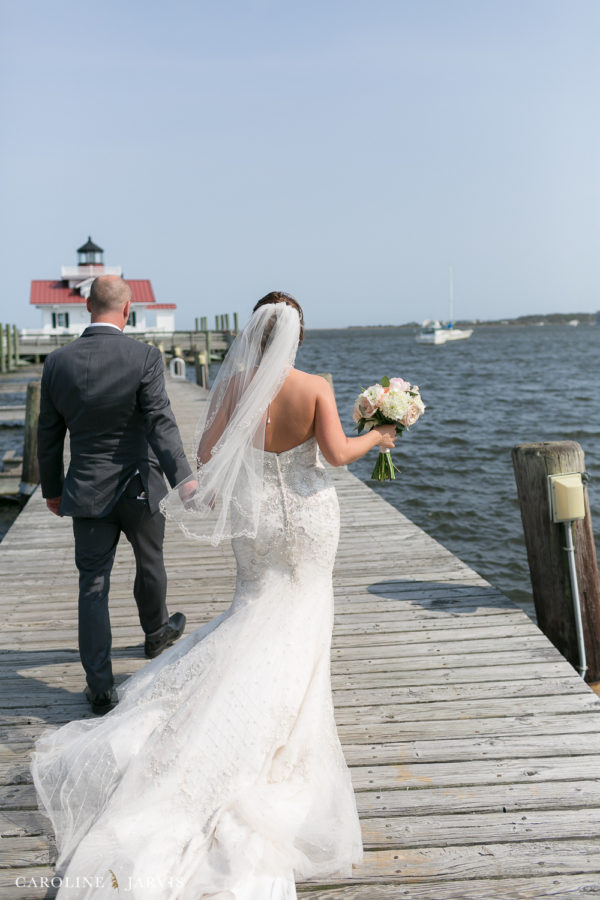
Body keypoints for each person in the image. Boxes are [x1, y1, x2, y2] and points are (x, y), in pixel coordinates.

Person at [31, 293, 396, 899]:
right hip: (307, 521)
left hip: (255, 522)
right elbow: (335, 454)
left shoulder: (232, 391)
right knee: (302, 614)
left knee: (250, 608)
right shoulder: (315, 388)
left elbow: (205, 455)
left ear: (253, 333)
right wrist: (379, 436)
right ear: (297, 335)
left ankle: (128, 693)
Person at [36, 275, 193, 715]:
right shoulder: (144, 356)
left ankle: (100, 687)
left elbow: (48, 436)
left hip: (85, 488)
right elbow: (161, 423)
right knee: (150, 561)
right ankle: (156, 631)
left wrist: (52, 490)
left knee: (93, 587)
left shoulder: (57, 363)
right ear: (128, 309)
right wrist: (184, 475)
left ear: (88, 307)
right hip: (140, 485)